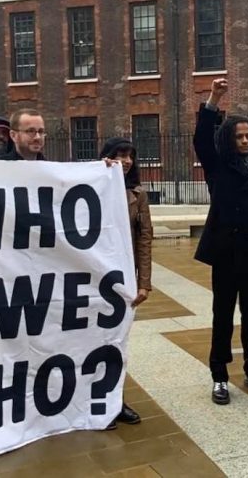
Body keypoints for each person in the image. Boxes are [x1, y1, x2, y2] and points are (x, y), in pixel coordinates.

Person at [193, 78, 248, 405]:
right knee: (223, 315)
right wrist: (214, 97)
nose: (244, 140)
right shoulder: (218, 168)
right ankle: (219, 375)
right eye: (239, 136)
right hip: (226, 254)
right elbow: (202, 139)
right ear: (229, 140)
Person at [98, 137, 153, 429]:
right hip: (95, 278)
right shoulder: (94, 186)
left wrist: (144, 282)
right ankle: (92, 400)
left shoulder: (138, 194)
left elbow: (145, 238)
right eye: (120, 155)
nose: (127, 160)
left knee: (117, 344)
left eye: (130, 155)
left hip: (123, 279)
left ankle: (114, 400)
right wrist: (97, 171)